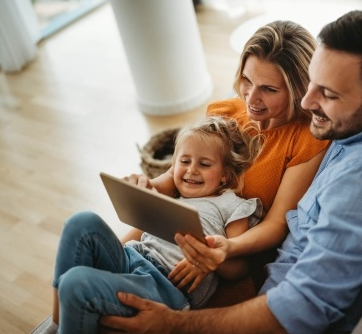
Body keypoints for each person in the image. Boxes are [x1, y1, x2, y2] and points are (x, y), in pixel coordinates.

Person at [99, 10, 362, 333]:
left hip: (255, 281)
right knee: (91, 255)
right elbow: (176, 181)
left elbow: (301, 306)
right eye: (312, 83)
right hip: (200, 240)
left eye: (327, 93)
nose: (307, 104)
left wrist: (175, 323)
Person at [121, 20, 330, 290]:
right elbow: (176, 176)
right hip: (182, 223)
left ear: (299, 90)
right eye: (247, 80)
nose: (251, 98)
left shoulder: (306, 140)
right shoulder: (225, 113)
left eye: (268, 89)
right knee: (91, 258)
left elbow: (277, 224)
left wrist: (224, 249)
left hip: (234, 250)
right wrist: (147, 187)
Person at [40, 116, 264, 334]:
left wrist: (209, 259)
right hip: (131, 259)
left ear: (225, 176)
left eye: (204, 164)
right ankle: (58, 324)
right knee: (81, 221)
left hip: (164, 285)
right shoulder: (172, 196)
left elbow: (240, 269)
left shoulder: (232, 204)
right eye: (184, 162)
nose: (192, 170)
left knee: (75, 283)